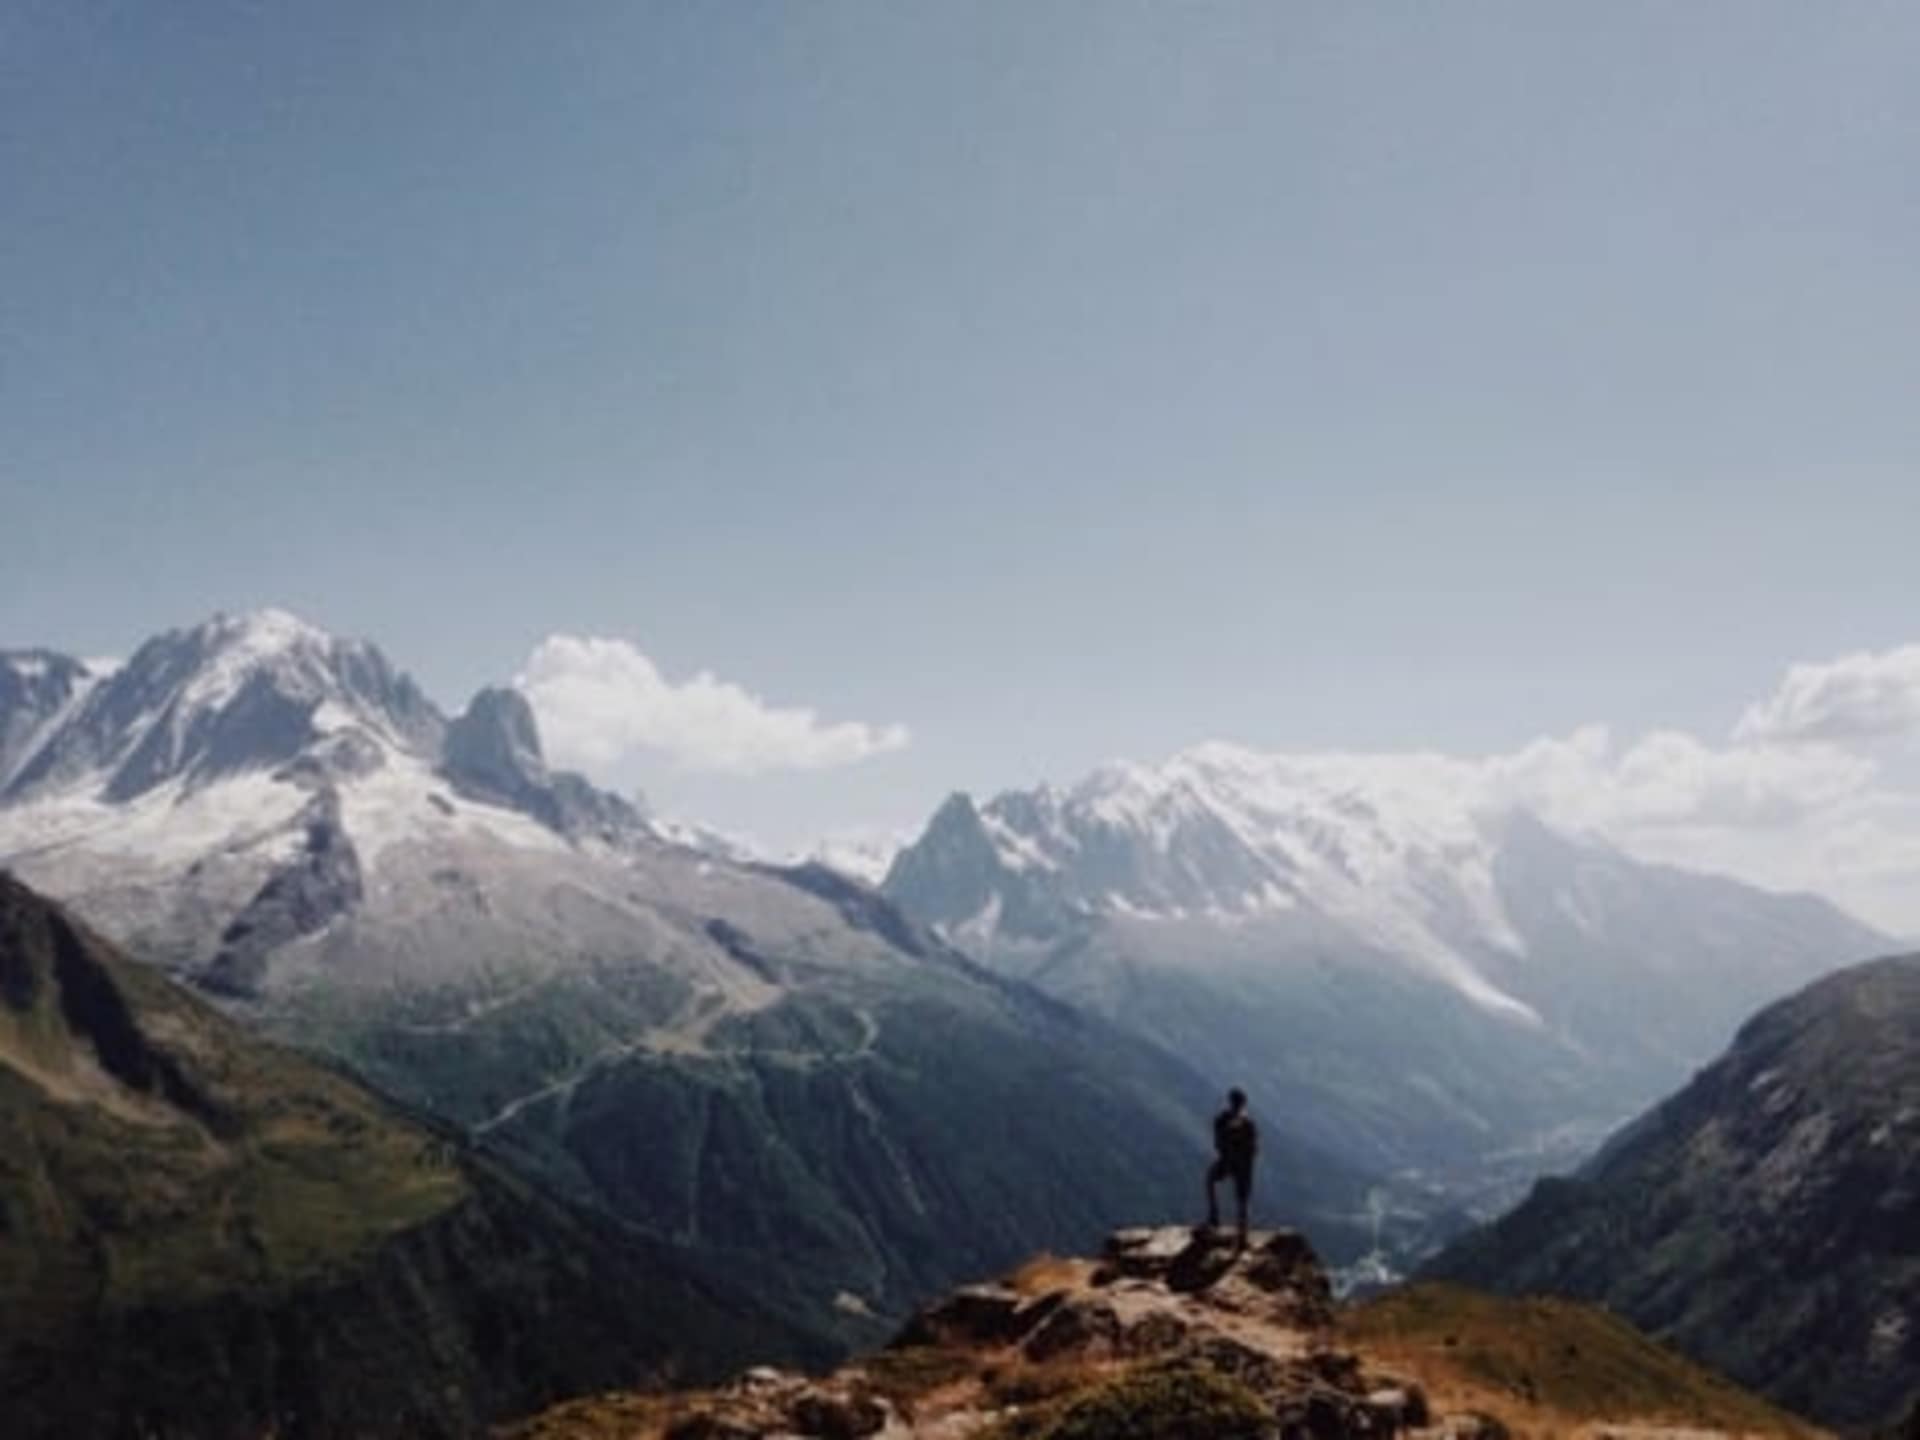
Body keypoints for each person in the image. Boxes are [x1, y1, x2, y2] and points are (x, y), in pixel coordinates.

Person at [1205, 1087, 1258, 1245]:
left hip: (1227, 1160)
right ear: (1243, 1103)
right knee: (1242, 1200)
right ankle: (1242, 1236)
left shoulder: (1222, 1119)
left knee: (1210, 1180)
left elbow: (1218, 1142)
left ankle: (1214, 1215)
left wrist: (1226, 1154)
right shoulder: (1248, 1123)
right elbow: (1254, 1148)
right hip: (1243, 1164)